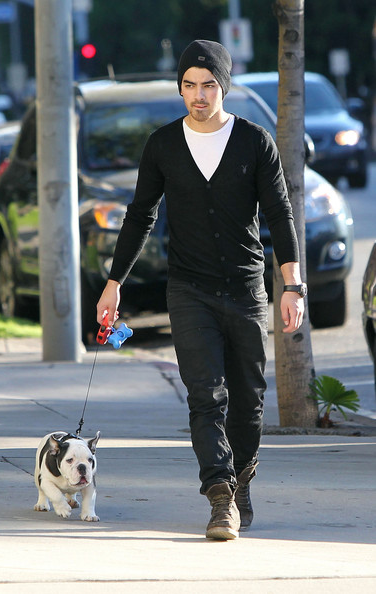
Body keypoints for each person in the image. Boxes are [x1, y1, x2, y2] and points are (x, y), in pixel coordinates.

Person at [97, 39, 307, 540]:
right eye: (189, 85)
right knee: (205, 396)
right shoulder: (163, 145)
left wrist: (292, 284)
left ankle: (242, 482)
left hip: (246, 288)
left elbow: (279, 214)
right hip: (188, 290)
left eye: (208, 84)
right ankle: (219, 495)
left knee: (249, 401)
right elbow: (140, 216)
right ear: (181, 88)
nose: (198, 94)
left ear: (224, 86)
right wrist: (114, 283)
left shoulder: (255, 142)